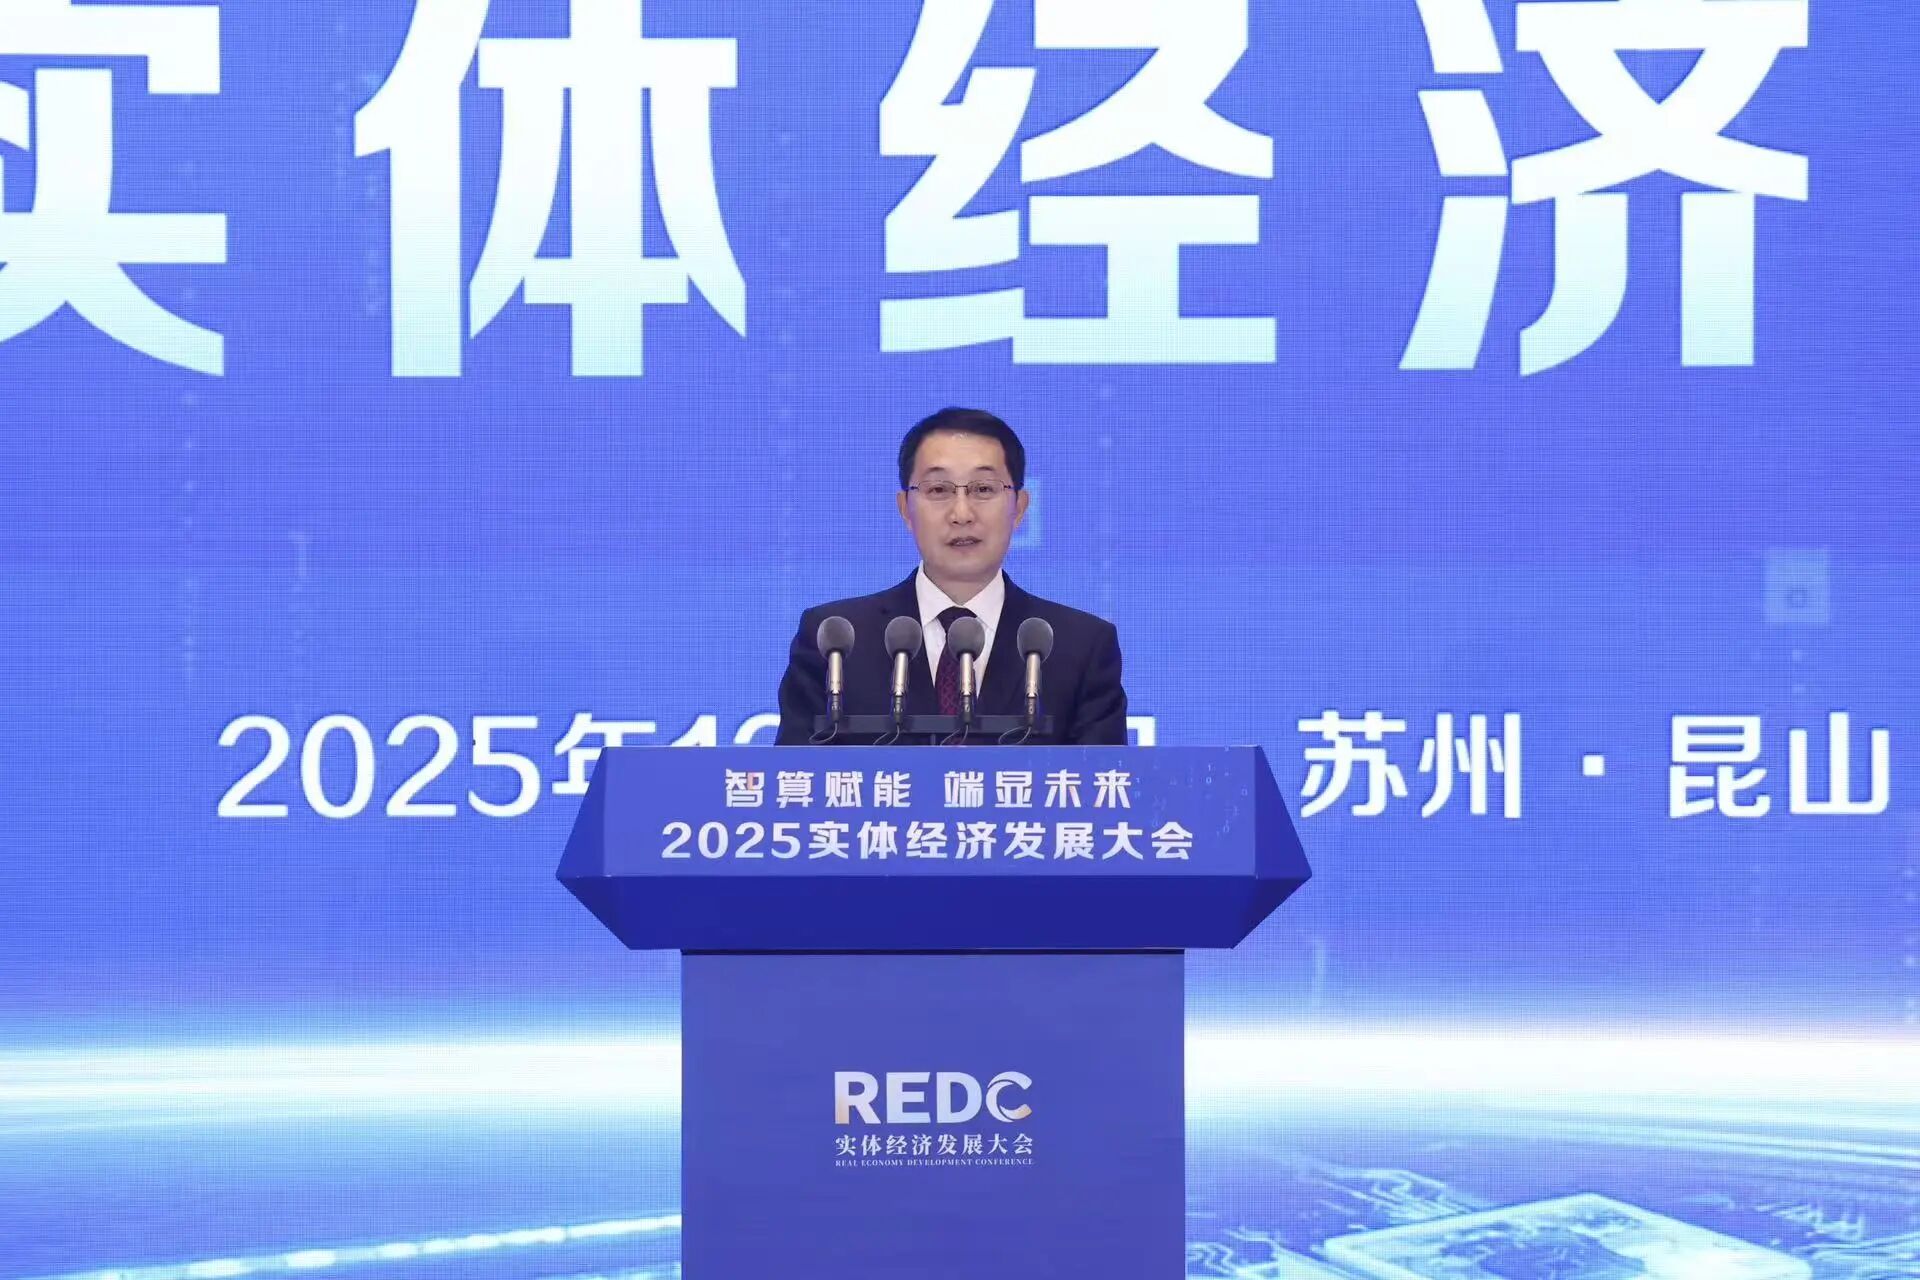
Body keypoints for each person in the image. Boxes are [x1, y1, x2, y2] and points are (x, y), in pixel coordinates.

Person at [776, 407, 1128, 745]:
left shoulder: (1079, 646)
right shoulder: (836, 641)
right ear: (905, 509)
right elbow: (795, 778)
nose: (961, 513)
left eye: (983, 489)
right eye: (939, 490)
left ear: (1019, 507)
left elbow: (1103, 781)